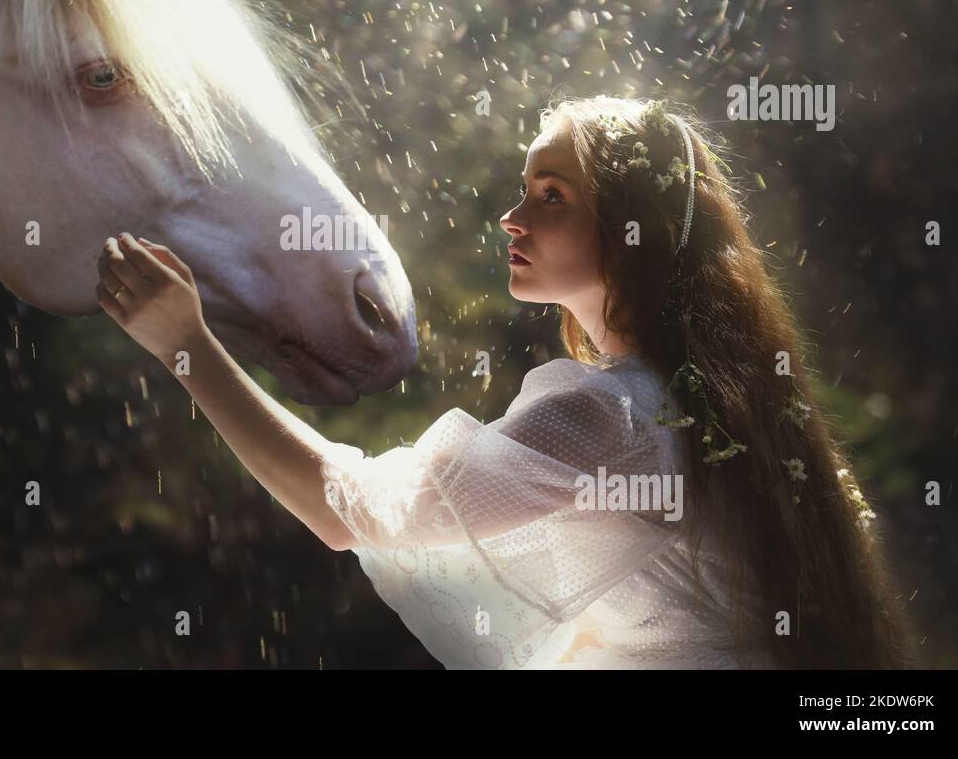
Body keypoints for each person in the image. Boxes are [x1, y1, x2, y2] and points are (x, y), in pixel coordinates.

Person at [94, 94, 916, 669]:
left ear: (637, 230)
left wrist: (187, 348)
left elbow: (350, 509)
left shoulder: (608, 416)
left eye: (550, 195)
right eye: (524, 189)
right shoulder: (709, 402)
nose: (511, 218)